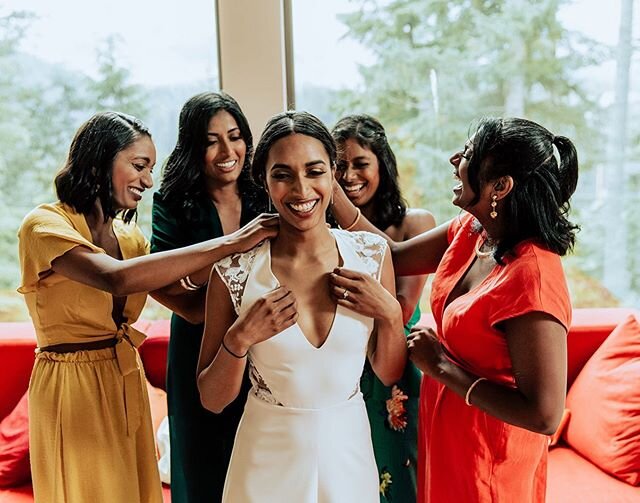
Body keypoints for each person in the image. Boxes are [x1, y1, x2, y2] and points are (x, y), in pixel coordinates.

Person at [17, 111, 278, 503]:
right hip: (70, 388)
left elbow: (190, 308)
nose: (148, 181)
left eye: (151, 168)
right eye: (139, 166)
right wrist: (231, 243)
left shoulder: (130, 238)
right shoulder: (44, 225)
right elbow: (115, 278)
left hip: (125, 380)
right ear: (101, 159)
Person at [330, 117, 578, 502]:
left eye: (469, 154)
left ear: (501, 186)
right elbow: (390, 254)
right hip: (446, 436)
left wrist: (441, 366)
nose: (455, 159)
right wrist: (328, 190)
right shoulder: (471, 231)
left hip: (489, 460)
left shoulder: (532, 279)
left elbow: (544, 415)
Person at [197, 111, 408, 502]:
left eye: (314, 171)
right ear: (264, 180)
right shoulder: (233, 273)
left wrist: (391, 314)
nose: (301, 189)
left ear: (333, 173)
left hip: (348, 455)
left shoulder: (373, 255)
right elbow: (212, 399)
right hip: (265, 462)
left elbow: (387, 370)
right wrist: (240, 338)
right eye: (282, 174)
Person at [150, 91, 267, 502]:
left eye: (234, 137)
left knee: (256, 462)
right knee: (202, 466)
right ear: (193, 148)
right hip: (194, 350)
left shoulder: (265, 193)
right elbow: (162, 275)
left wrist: (194, 277)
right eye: (210, 141)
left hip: (264, 342)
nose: (226, 150)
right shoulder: (173, 201)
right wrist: (238, 245)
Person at [332, 114, 435, 502]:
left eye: (361, 164)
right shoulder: (325, 235)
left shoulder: (415, 223)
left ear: (382, 166)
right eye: (338, 166)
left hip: (396, 369)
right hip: (342, 367)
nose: (349, 175)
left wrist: (337, 201)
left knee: (397, 474)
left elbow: (401, 306)